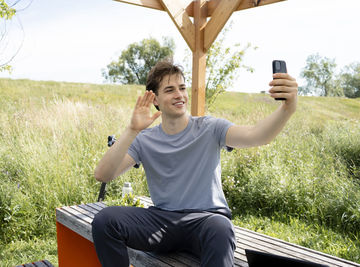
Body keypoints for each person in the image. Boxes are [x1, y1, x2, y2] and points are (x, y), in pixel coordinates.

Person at [92, 60, 298, 267]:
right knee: (105, 221)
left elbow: (256, 136)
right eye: (170, 90)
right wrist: (132, 130)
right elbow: (103, 174)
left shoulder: (210, 128)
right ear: (155, 99)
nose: (179, 95)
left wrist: (288, 108)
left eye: (182, 88)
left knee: (221, 228)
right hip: (162, 222)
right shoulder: (144, 139)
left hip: (206, 221)